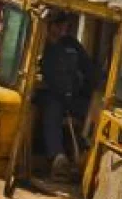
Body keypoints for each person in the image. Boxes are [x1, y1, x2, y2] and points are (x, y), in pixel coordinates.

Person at [36, 13, 93, 179]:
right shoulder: (39, 44)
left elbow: (89, 68)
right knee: (52, 110)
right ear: (50, 25)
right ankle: (57, 157)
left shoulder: (71, 45)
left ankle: (87, 156)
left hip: (71, 97)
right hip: (48, 95)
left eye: (64, 25)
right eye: (58, 25)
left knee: (91, 109)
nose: (62, 29)